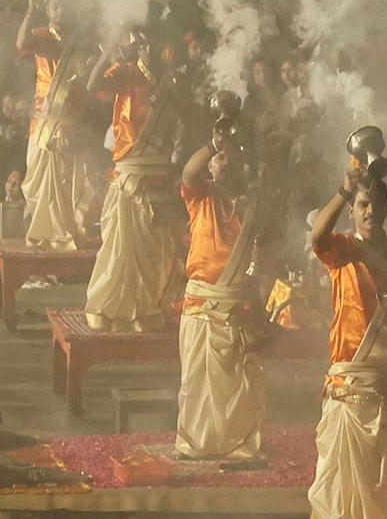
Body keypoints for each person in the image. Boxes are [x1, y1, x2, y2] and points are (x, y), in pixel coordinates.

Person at [308, 163, 387, 519]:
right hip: (350, 383)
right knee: (341, 491)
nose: (370, 210)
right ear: (353, 211)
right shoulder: (342, 250)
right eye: (362, 205)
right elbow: (317, 238)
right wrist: (343, 191)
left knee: (385, 483)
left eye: (376, 204)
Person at [84, 32, 186, 331]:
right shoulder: (125, 71)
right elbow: (92, 86)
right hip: (131, 169)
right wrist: (111, 53)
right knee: (122, 250)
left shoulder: (170, 80)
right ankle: (110, 307)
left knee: (158, 248)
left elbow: (183, 120)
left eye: (155, 42)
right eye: (145, 42)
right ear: (139, 45)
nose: (151, 48)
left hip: (161, 172)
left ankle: (149, 308)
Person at [175, 130, 264, 460]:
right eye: (219, 158)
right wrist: (213, 143)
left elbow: (262, 257)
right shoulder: (199, 197)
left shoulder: (250, 208)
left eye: (231, 157)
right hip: (202, 305)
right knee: (197, 382)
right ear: (209, 166)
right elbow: (186, 172)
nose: (226, 163)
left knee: (238, 384)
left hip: (236, 307)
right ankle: (197, 444)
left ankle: (237, 444)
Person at [16, 0, 97, 251]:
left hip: (72, 120)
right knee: (40, 182)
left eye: (64, 4)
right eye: (55, 5)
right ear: (48, 10)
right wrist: (29, 8)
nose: (60, 9)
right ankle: (44, 235)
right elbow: (21, 44)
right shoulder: (40, 36)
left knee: (67, 184)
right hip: (44, 120)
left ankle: (66, 233)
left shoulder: (80, 41)